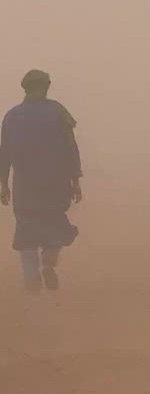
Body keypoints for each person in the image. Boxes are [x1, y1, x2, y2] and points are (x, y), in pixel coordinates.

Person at [0, 70, 83, 294]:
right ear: (46, 86)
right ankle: (48, 260)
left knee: (26, 230)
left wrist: (3, 185)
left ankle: (31, 281)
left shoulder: (11, 116)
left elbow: (4, 154)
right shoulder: (57, 111)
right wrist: (75, 180)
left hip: (24, 186)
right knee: (55, 223)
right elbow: (70, 147)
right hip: (56, 184)